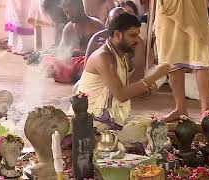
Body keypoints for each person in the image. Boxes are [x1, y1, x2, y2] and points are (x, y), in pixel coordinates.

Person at [70, 13, 170, 147]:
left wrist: (148, 86)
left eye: (138, 34)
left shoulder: (119, 54)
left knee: (156, 126)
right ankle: (101, 142)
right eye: (132, 35)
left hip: (110, 120)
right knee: (151, 132)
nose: (137, 40)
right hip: (93, 123)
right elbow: (121, 95)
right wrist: (155, 76)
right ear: (118, 35)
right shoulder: (103, 57)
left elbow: (126, 85)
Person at [155, 0, 209, 122]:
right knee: (171, 57)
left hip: (193, 5)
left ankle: (206, 112)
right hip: (166, 6)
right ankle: (180, 108)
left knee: (200, 54)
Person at [28, 0, 105, 83]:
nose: (68, 16)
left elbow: (102, 51)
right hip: (73, 62)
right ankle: (73, 75)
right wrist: (41, 54)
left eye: (70, 12)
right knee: (48, 60)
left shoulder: (96, 25)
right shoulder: (69, 28)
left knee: (88, 64)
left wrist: (78, 53)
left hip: (88, 61)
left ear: (81, 8)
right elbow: (61, 50)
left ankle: (74, 75)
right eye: (66, 13)